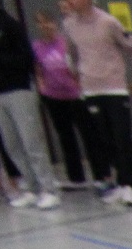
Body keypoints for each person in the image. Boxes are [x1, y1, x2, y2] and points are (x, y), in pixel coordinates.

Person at [62, 0, 132, 206]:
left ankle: (129, 184)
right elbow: (71, 52)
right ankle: (118, 183)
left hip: (114, 87)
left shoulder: (108, 22)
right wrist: (76, 72)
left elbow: (131, 45)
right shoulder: (69, 24)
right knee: (105, 140)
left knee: (121, 136)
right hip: (91, 89)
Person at [0, 3, 57, 207]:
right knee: (11, 143)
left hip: (18, 89)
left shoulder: (10, 25)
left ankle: (48, 188)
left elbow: (26, 58)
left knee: (31, 140)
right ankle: (30, 186)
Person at [32, 10, 90, 190]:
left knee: (88, 134)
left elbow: (78, 65)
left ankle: (101, 174)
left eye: (47, 22)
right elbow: (38, 69)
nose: (44, 27)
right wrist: (42, 87)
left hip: (74, 95)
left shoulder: (65, 44)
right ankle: (76, 177)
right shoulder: (36, 47)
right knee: (66, 137)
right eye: (40, 23)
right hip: (53, 96)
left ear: (55, 24)